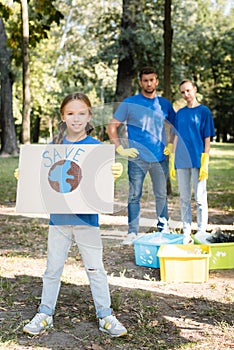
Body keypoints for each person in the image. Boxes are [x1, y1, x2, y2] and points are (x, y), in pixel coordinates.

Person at [22, 92, 127, 337]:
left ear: (89, 116)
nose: (76, 119)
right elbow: (42, 179)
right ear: (63, 117)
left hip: (87, 221)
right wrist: (26, 177)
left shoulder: (96, 148)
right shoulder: (53, 149)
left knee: (95, 269)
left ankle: (106, 315)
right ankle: (45, 313)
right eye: (71, 113)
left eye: (82, 113)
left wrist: (111, 173)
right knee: (52, 268)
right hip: (59, 220)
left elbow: (99, 186)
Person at [107, 66, 176, 245]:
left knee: (161, 194)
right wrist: (120, 148)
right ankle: (132, 232)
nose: (148, 83)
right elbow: (111, 127)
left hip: (160, 157)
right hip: (137, 157)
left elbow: (175, 127)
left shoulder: (165, 104)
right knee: (134, 195)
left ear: (156, 81)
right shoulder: (130, 103)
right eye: (145, 80)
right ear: (140, 82)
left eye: (151, 80)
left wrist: (170, 144)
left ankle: (164, 229)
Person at [169, 80, 215, 244]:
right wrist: (173, 158)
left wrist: (205, 160)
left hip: (197, 159)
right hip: (181, 161)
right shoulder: (180, 113)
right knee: (184, 199)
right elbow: (175, 136)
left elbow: (207, 138)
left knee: (200, 198)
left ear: (195, 89)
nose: (186, 95)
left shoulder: (204, 112)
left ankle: (201, 231)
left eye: (188, 91)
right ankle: (186, 232)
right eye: (182, 92)